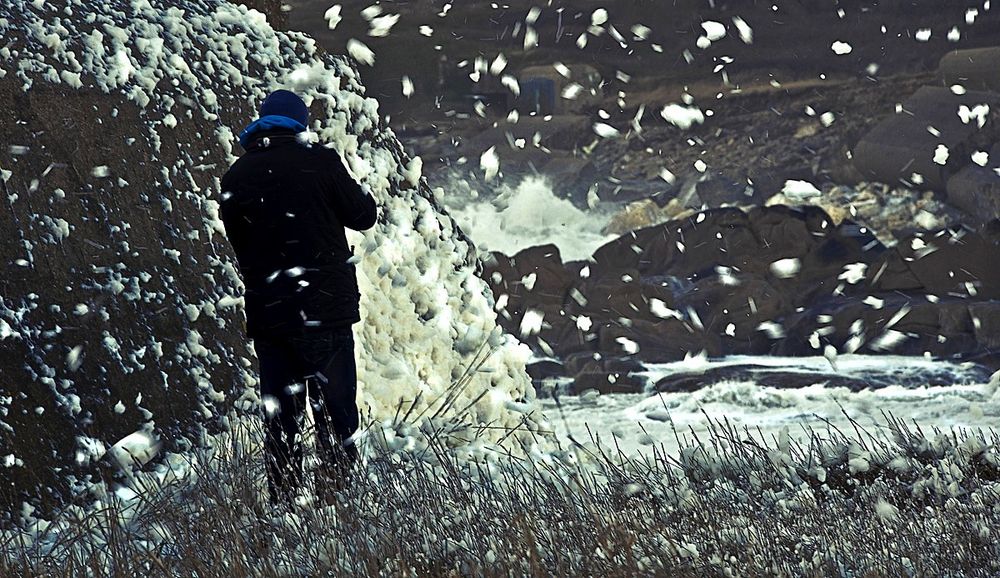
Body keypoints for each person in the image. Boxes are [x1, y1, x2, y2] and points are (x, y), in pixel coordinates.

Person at [219, 89, 378, 506]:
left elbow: (240, 241)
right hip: (323, 309)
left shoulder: (237, 176)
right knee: (335, 411)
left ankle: (285, 503)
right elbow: (363, 216)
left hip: (271, 314)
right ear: (301, 124)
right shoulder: (320, 161)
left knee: (282, 417)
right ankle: (337, 501)